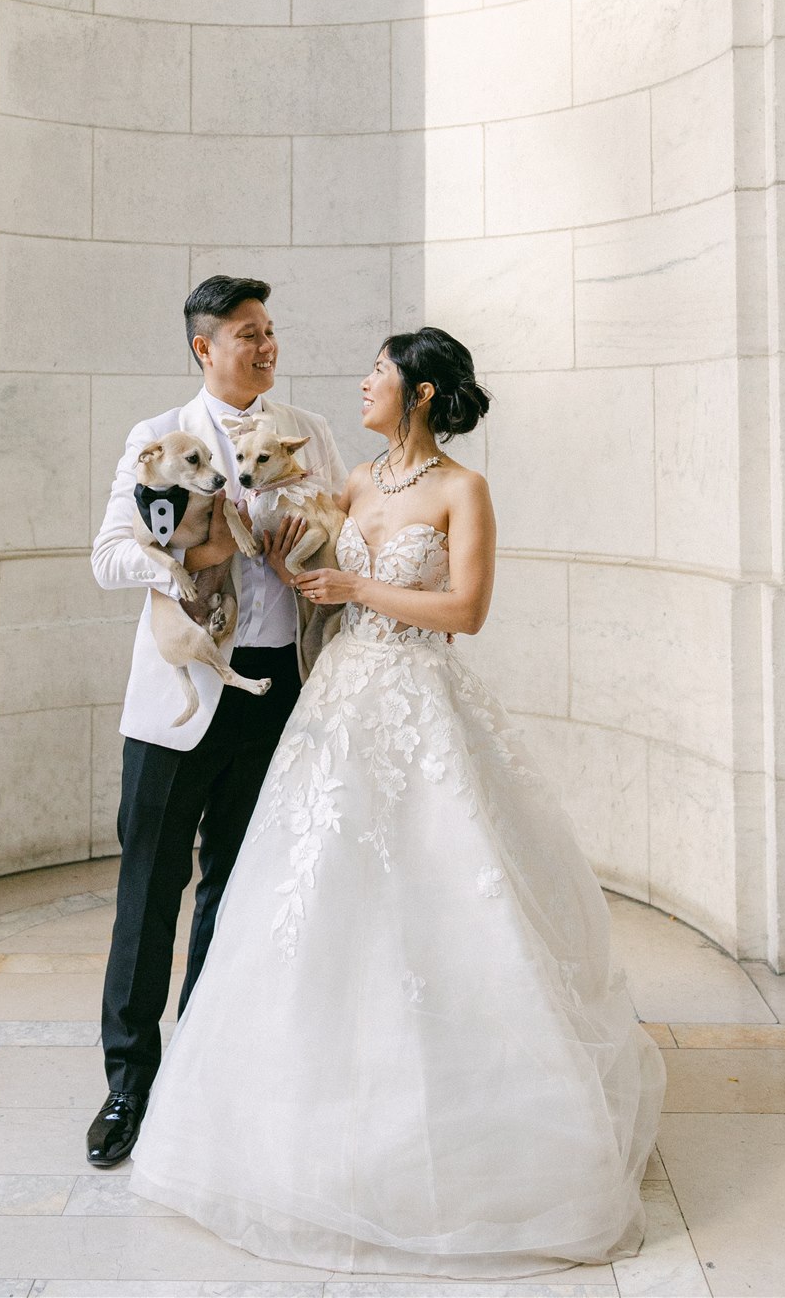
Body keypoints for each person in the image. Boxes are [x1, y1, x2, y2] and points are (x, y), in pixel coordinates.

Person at [127, 325, 667, 1278]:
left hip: (421, 696)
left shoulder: (463, 490)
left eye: (378, 372)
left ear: (418, 392)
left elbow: (465, 611)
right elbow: (291, 562)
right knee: (312, 895)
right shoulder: (354, 482)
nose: (364, 384)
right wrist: (226, 527)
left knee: (448, 886)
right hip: (338, 701)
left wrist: (355, 583)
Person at [86, 275, 346, 1169]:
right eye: (247, 334)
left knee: (237, 886)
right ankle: (128, 1082)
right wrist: (191, 559)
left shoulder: (309, 432)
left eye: (271, 331)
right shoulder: (158, 438)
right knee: (150, 889)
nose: (266, 347)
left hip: (281, 686)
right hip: (181, 695)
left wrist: (311, 551)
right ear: (206, 348)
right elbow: (109, 554)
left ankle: (204, 1063)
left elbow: (345, 534)